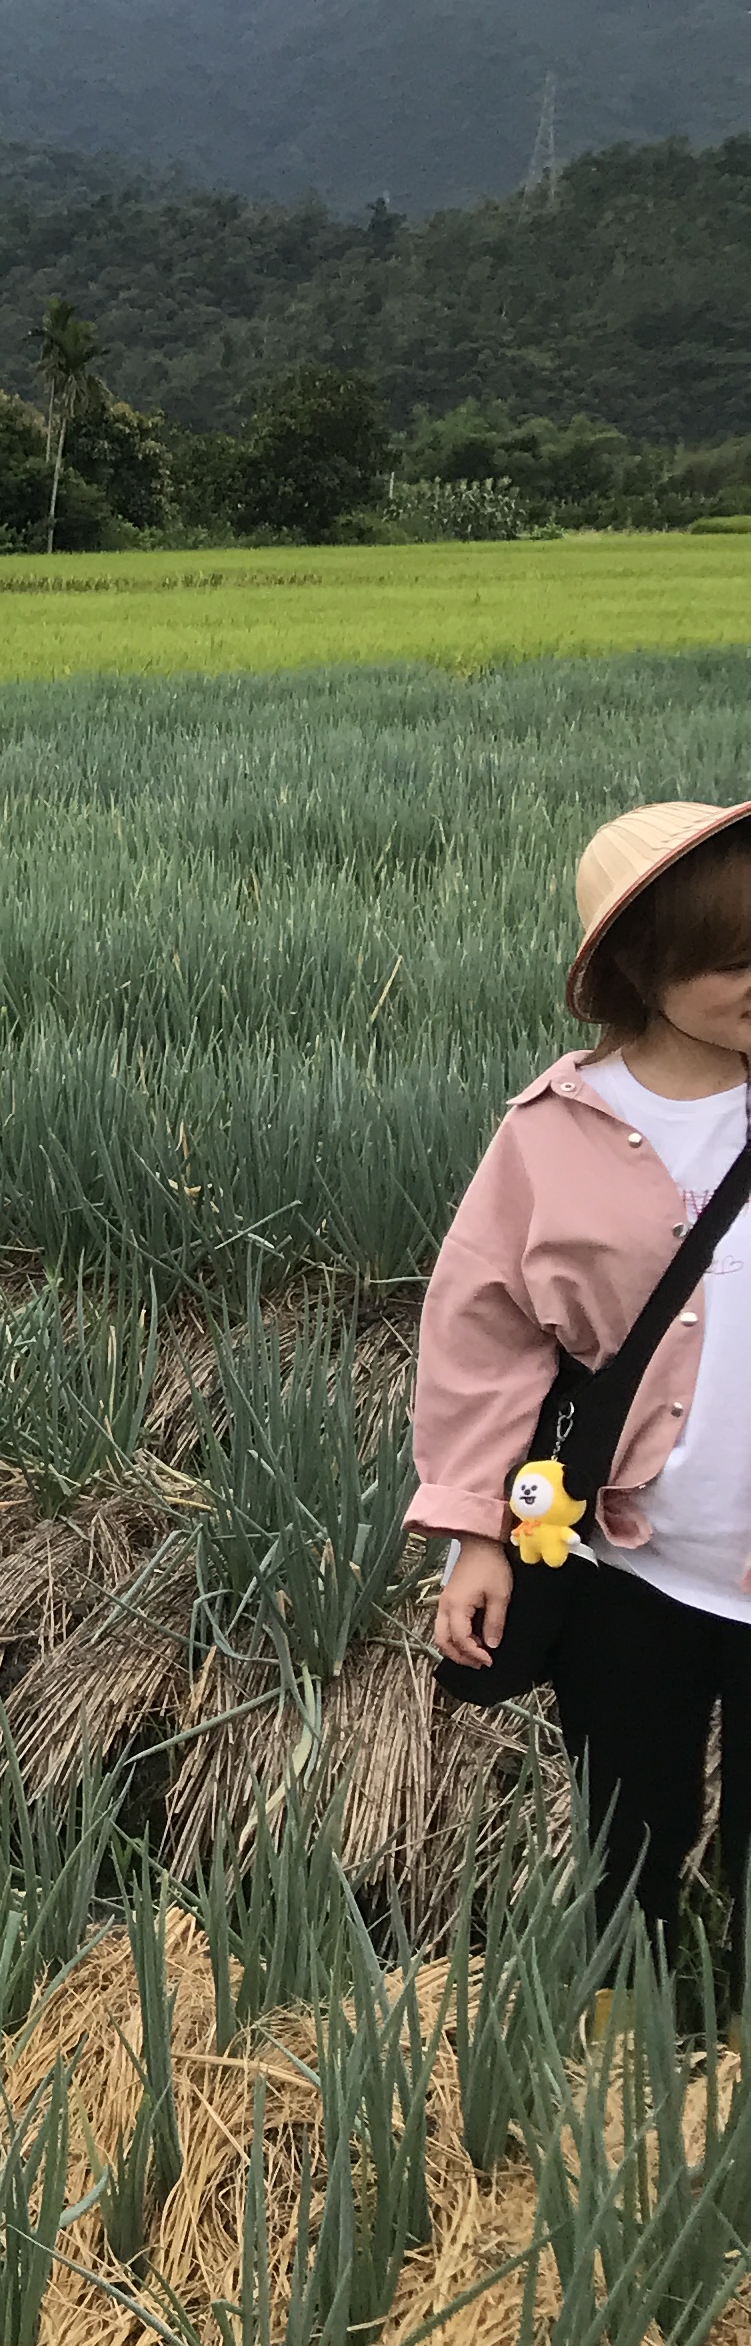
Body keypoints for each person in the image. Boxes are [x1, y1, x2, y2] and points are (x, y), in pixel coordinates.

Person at [420, 800, 751, 1960]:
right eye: (734, 959)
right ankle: (628, 2057)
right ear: (640, 968)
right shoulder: (554, 1131)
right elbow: (485, 1339)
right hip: (628, 1569)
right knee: (632, 1835)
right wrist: (474, 1536)